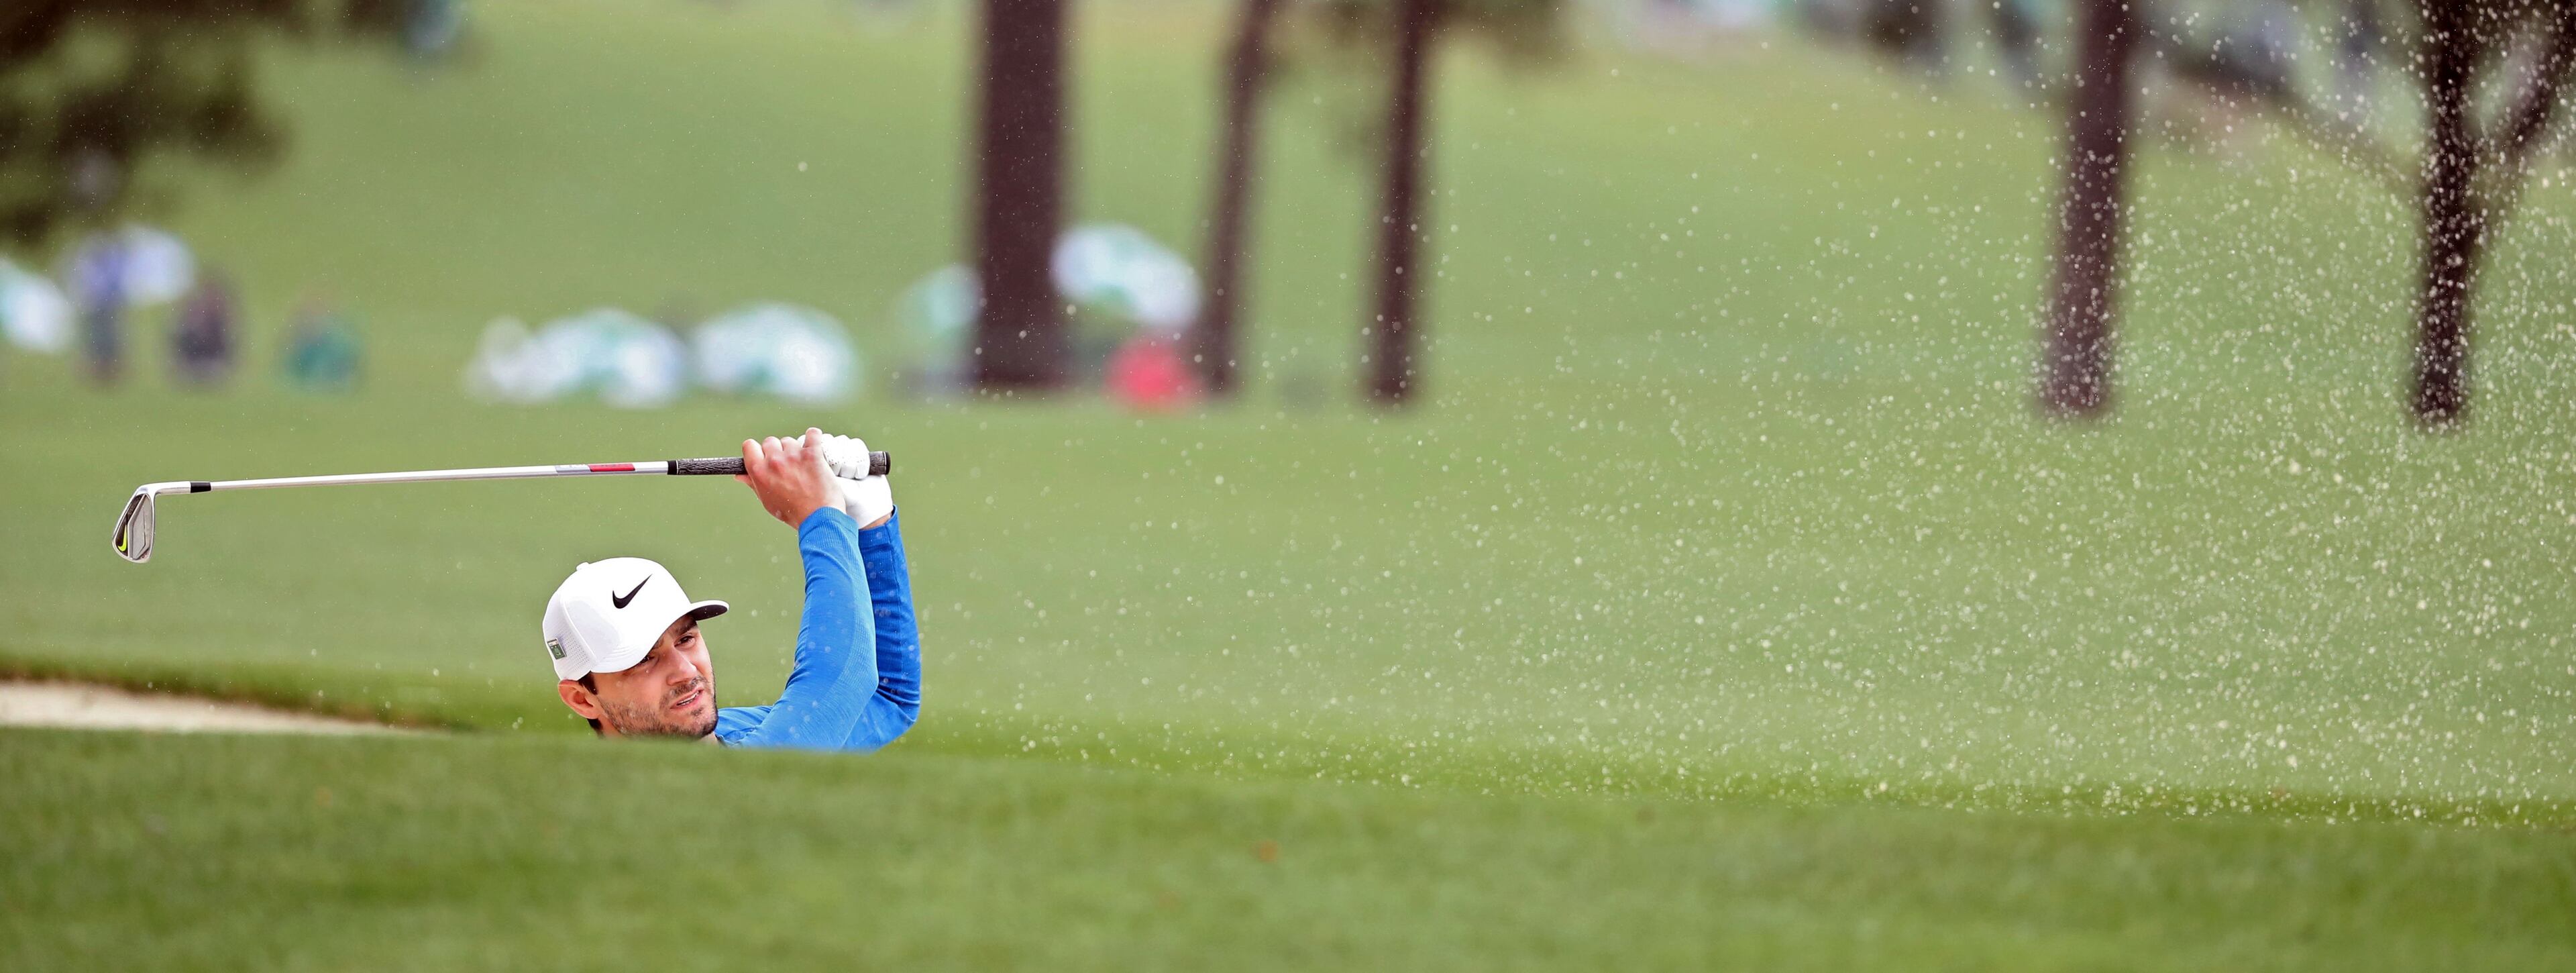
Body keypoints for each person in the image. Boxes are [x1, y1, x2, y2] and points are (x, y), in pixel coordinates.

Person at [540, 429, 920, 750]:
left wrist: (870, 517)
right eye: (644, 659)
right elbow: (840, 683)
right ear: (582, 699)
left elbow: (882, 700)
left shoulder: (734, 733)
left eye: (686, 639)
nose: (685, 672)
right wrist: (821, 518)